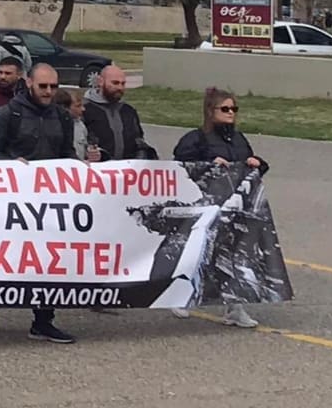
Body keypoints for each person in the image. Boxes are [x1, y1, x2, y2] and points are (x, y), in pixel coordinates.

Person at [0, 63, 76, 343]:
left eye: (54, 87)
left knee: (49, 260)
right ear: (29, 83)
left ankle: (43, 320)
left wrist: (78, 168)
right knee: (6, 255)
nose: (49, 92)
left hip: (50, 201)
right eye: (43, 86)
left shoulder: (62, 117)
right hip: (13, 201)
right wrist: (10, 164)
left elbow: (66, 152)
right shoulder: (8, 113)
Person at [172, 88, 266, 328]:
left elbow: (251, 168)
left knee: (233, 255)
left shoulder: (239, 139)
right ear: (210, 111)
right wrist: (208, 165)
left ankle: (234, 306)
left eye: (234, 109)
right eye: (225, 109)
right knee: (199, 251)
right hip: (206, 203)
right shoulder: (196, 138)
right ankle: (182, 295)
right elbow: (180, 166)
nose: (231, 113)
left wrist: (257, 164)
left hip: (234, 205)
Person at [84, 65, 155, 161]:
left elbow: (138, 140)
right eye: (115, 83)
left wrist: (142, 155)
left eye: (123, 83)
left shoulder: (128, 111)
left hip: (127, 171)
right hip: (97, 170)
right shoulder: (84, 109)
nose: (120, 88)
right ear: (100, 82)